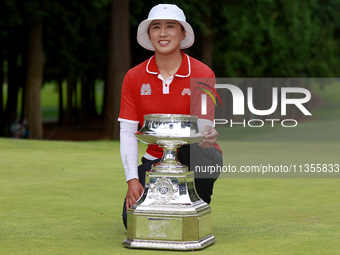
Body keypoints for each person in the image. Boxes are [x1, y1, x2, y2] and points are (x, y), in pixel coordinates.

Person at [118, 3, 222, 229]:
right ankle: (169, 210)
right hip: (155, 159)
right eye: (156, 27)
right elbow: (127, 130)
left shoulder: (203, 73)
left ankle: (195, 208)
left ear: (182, 33)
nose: (163, 33)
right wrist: (132, 179)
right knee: (132, 221)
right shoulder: (133, 77)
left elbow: (203, 125)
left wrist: (207, 135)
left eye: (170, 26)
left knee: (198, 152)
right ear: (149, 34)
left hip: (194, 156)